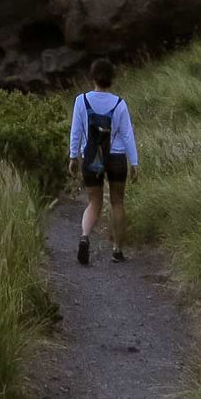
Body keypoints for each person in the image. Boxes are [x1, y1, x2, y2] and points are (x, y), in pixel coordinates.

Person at [68, 56, 139, 265]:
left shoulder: (81, 101)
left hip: (91, 156)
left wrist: (73, 156)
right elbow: (127, 135)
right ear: (112, 79)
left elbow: (76, 132)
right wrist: (134, 162)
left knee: (94, 202)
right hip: (116, 157)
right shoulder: (119, 104)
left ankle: (84, 236)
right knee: (117, 202)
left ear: (93, 77)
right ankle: (117, 250)